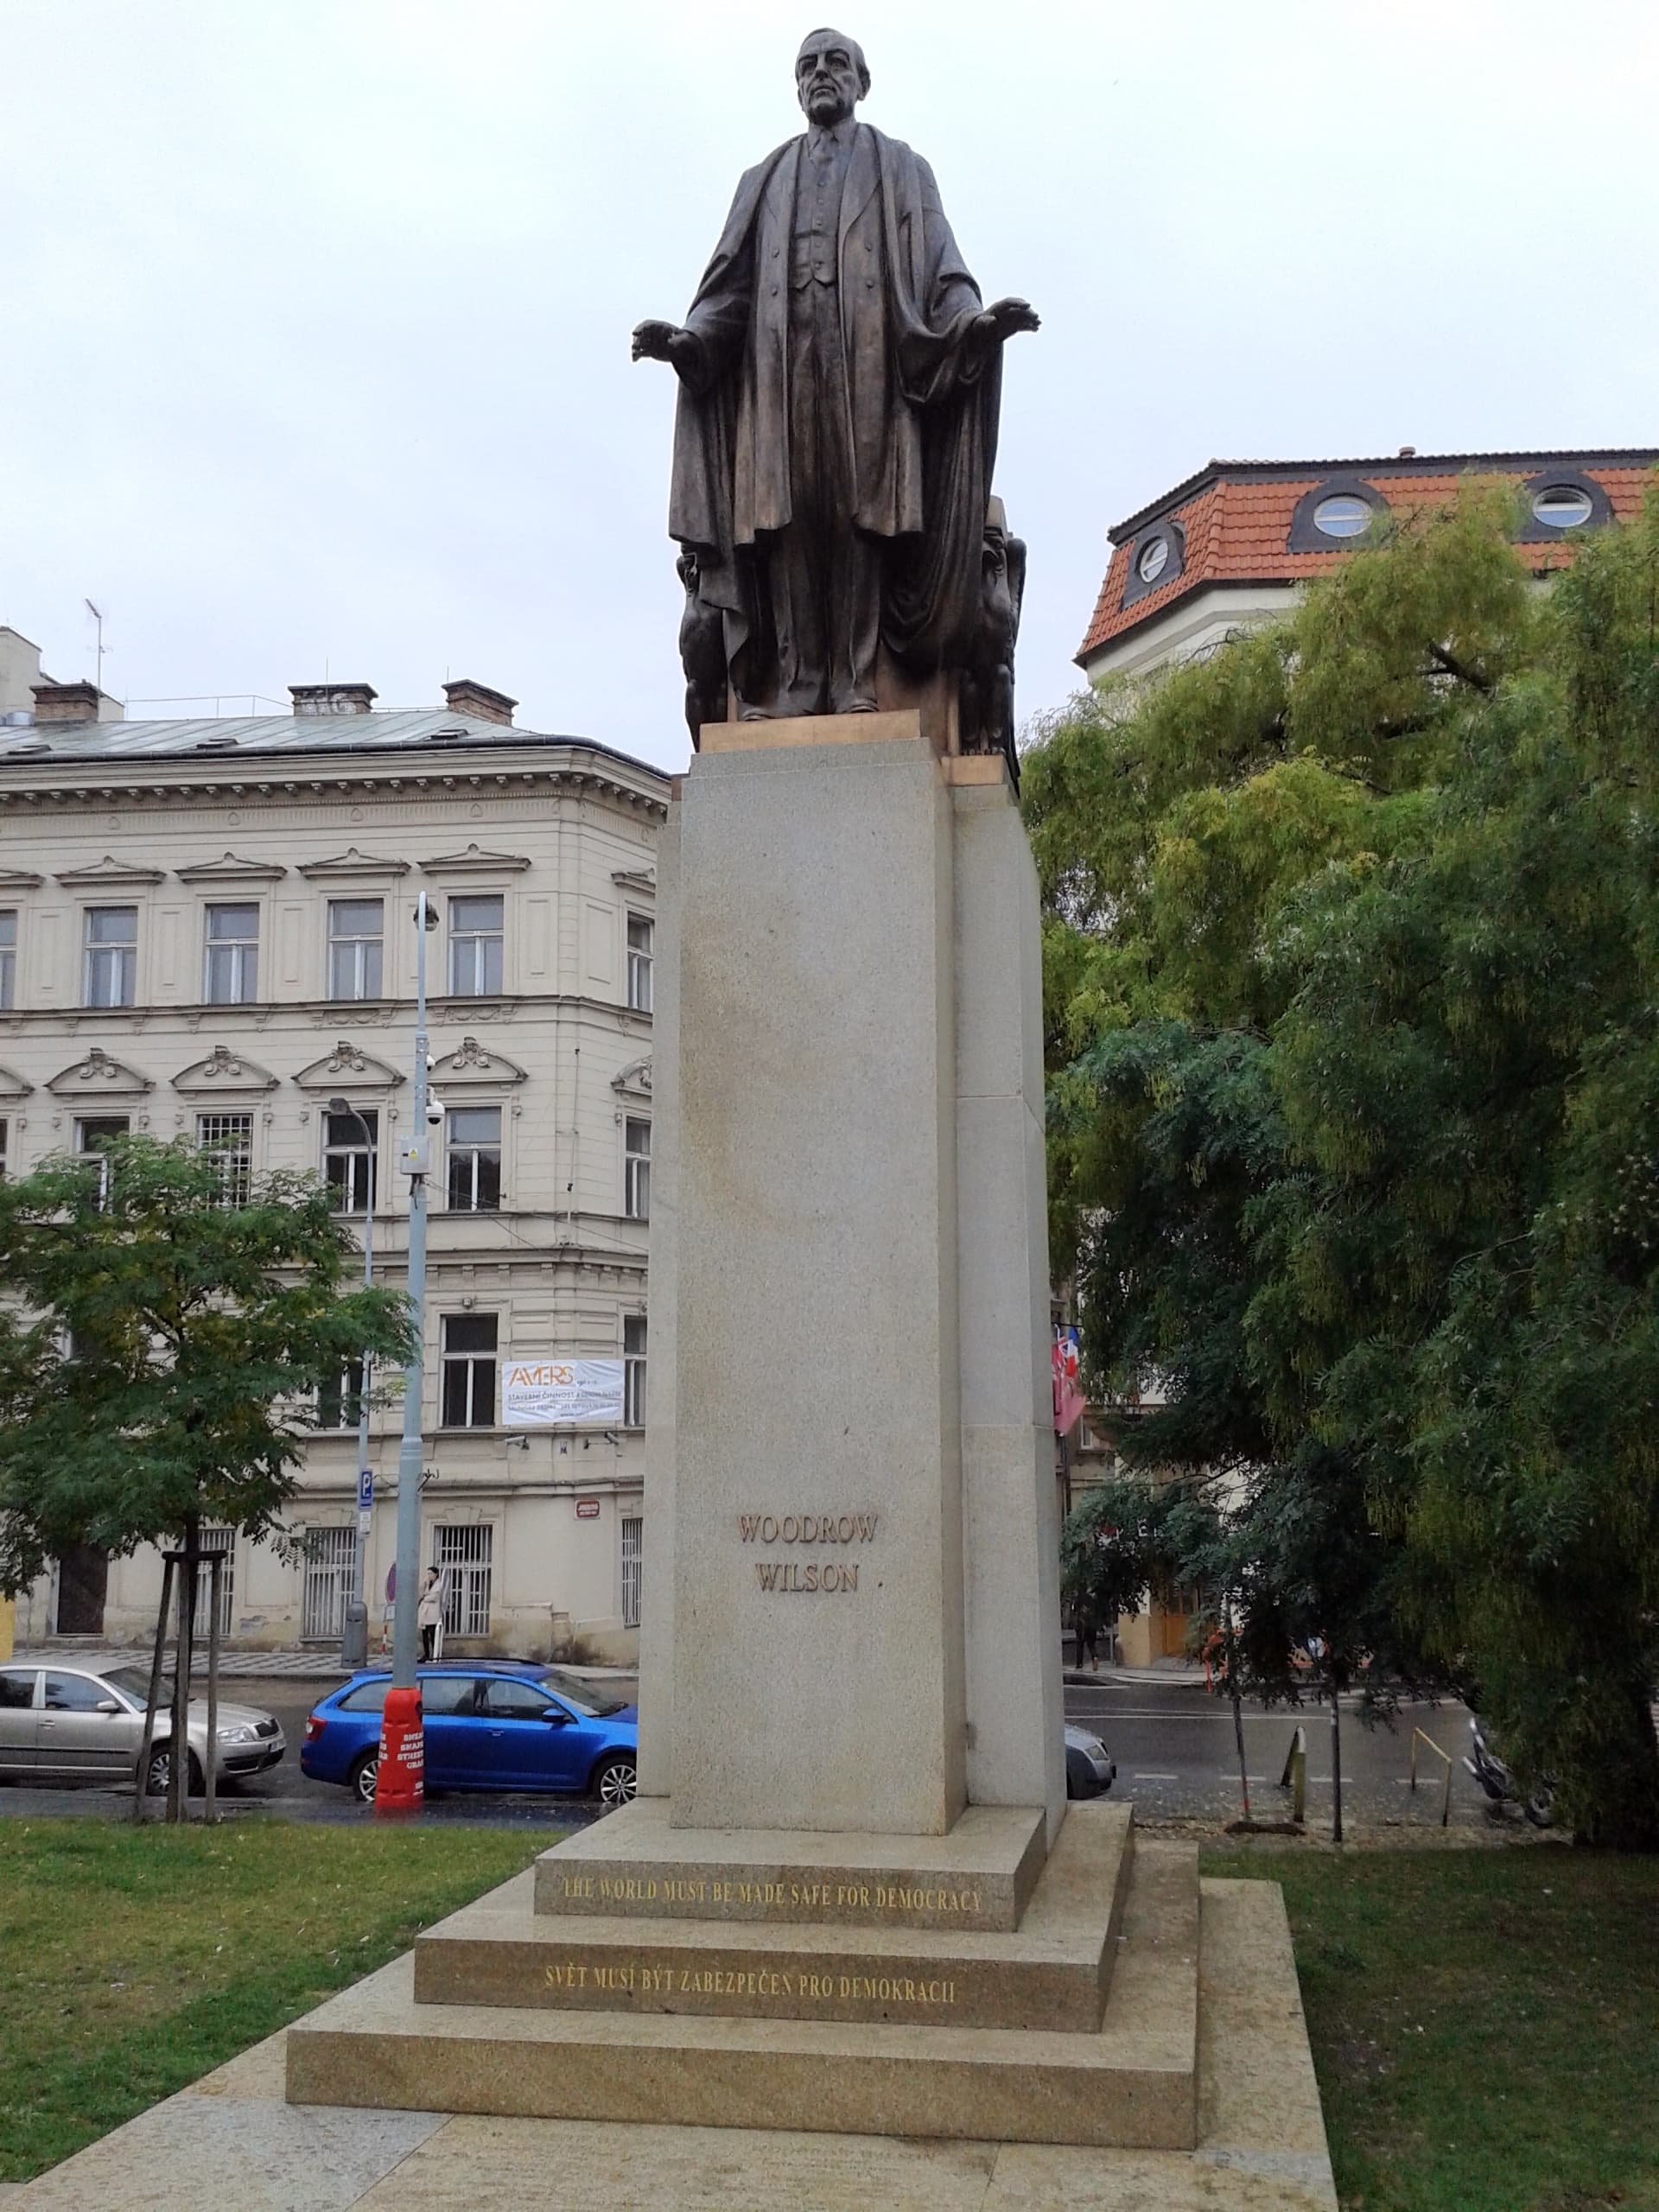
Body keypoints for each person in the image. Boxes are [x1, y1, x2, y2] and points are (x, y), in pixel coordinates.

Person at [632, 28, 1039, 722]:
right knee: (784, 523)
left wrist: (975, 324)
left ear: (861, 81)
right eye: (809, 66)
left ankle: (856, 679)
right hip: (778, 378)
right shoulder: (761, 180)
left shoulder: (902, 168)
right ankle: (797, 680)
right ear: (797, 87)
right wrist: (689, 341)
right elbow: (727, 292)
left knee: (857, 520)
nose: (822, 75)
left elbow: (944, 271)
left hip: (871, 376)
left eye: (836, 64)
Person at [416, 1567, 443, 1663]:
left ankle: (434, 1655)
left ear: (436, 1574)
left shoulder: (438, 1584)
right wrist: (424, 1585)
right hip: (424, 1614)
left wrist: (425, 1597)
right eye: (428, 1574)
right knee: (424, 1635)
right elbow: (421, 1593)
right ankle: (426, 1654)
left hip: (432, 1614)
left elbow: (435, 1597)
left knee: (432, 1635)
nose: (429, 1576)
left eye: (431, 1573)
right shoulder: (427, 1584)